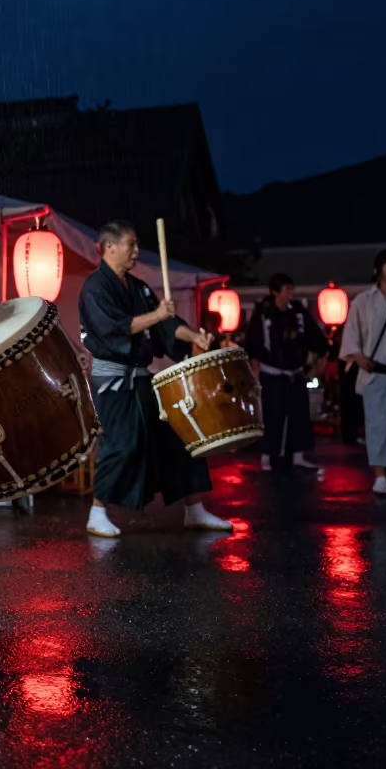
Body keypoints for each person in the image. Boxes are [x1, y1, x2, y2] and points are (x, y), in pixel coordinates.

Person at [79, 220, 233, 538]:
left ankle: (195, 509)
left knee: (181, 434)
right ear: (109, 246)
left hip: (142, 380)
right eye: (130, 244)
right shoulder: (95, 288)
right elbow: (114, 329)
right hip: (113, 383)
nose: (136, 251)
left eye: (137, 245)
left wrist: (194, 335)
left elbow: (165, 324)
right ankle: (97, 512)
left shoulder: (138, 287)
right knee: (122, 444)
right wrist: (156, 315)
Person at [243, 274, 328, 477]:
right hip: (271, 371)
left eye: (292, 290)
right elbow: (253, 344)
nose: (291, 294)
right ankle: (267, 456)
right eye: (287, 290)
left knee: (299, 413)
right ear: (275, 292)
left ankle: (298, 455)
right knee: (272, 414)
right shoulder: (263, 313)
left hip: (295, 371)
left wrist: (316, 359)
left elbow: (314, 337)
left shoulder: (298, 312)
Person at [340, 249, 386, 495]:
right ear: (378, 270)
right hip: (375, 371)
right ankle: (380, 474)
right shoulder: (364, 300)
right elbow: (352, 330)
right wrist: (356, 355)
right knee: (377, 425)